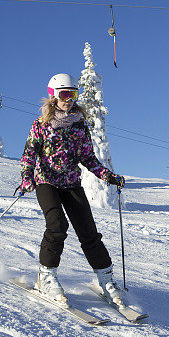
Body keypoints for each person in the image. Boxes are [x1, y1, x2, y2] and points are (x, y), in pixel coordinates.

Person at [19, 73, 126, 307]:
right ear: (53, 96)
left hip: (71, 183)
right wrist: (27, 178)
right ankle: (46, 277)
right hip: (46, 181)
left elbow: (88, 158)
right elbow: (29, 155)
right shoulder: (41, 125)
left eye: (73, 94)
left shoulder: (79, 126)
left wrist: (108, 175)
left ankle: (105, 279)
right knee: (57, 225)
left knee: (88, 230)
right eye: (64, 94)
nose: (69, 99)